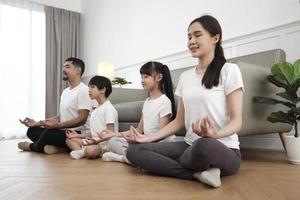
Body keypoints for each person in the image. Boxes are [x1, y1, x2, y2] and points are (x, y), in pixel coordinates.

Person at [124, 15, 244, 188]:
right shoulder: (185, 77)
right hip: (189, 145)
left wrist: (215, 135)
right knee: (134, 151)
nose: (191, 41)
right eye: (189, 37)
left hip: (222, 148)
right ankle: (196, 173)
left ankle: (181, 165)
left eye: (197, 35)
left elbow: (237, 121)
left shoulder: (230, 70)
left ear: (215, 38)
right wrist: (147, 138)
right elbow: (179, 122)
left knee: (203, 145)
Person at [99, 61, 176, 164]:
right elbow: (139, 130)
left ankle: (124, 158)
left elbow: (161, 135)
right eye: (142, 77)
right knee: (113, 141)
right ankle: (134, 157)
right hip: (146, 141)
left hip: (160, 143)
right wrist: (114, 134)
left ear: (158, 77)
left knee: (136, 149)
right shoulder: (147, 102)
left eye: (146, 77)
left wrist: (141, 141)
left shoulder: (164, 101)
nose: (142, 80)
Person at [18, 57, 92, 154]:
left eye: (67, 67)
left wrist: (58, 125)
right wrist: (37, 123)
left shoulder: (83, 90)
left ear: (77, 70)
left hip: (77, 133)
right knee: (32, 131)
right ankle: (58, 147)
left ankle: (33, 146)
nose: (63, 70)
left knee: (49, 133)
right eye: (63, 67)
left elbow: (82, 119)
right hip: (64, 131)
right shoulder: (65, 92)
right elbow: (62, 117)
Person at [66, 75, 118, 160]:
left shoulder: (108, 108)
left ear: (103, 90)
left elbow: (110, 134)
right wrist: (78, 135)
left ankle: (84, 151)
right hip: (94, 141)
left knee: (90, 151)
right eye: (89, 87)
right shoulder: (95, 109)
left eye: (92, 87)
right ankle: (82, 151)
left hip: (105, 144)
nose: (89, 90)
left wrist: (96, 141)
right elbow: (93, 133)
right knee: (69, 140)